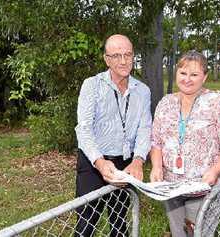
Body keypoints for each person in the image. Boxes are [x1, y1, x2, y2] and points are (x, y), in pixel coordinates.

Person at [150, 50, 220, 237]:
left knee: (197, 234)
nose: (187, 79)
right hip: (171, 188)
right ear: (176, 74)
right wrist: (157, 167)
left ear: (204, 77)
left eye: (194, 74)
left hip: (203, 189)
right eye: (183, 73)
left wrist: (214, 171)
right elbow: (156, 141)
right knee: (179, 234)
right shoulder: (165, 103)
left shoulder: (218, 103)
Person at [75, 34, 152, 236]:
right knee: (86, 223)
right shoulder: (91, 85)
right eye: (116, 55)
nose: (124, 61)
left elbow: (145, 128)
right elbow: (83, 129)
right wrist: (100, 162)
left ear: (134, 56)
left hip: (125, 164)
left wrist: (138, 160)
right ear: (106, 59)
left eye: (128, 54)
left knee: (119, 222)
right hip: (94, 162)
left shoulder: (142, 91)